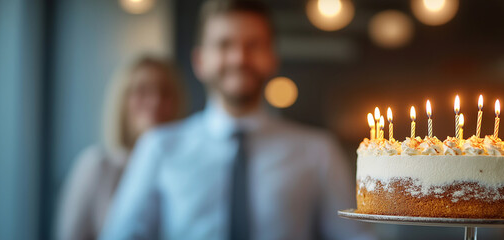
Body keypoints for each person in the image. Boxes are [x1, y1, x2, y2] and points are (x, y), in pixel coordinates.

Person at [100, 1, 373, 239]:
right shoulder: (159, 147)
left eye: (253, 45)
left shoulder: (318, 151)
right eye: (224, 44)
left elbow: (356, 237)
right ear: (199, 61)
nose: (239, 57)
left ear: (272, 58)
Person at [55, 55, 188, 240]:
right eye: (142, 91)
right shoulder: (97, 165)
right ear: (122, 100)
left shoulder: (186, 169)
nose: (155, 101)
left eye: (165, 93)